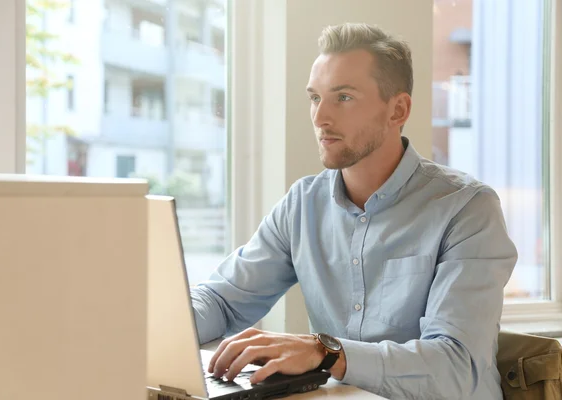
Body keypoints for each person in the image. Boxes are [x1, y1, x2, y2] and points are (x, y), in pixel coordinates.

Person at [190, 22, 517, 399]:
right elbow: (219, 301)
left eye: (343, 97)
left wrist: (326, 354)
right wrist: (147, 325)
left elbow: (456, 367)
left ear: (398, 110)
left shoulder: (468, 209)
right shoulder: (302, 205)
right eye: (315, 97)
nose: (319, 118)